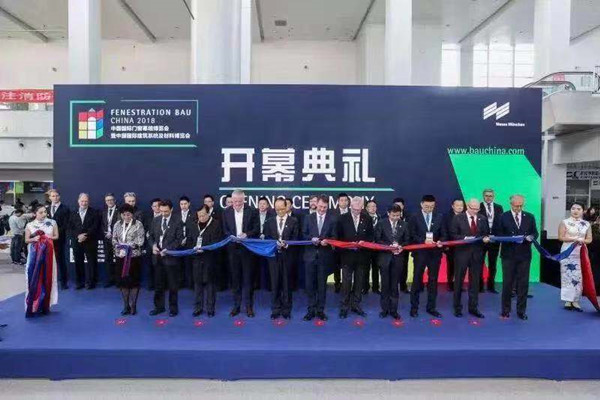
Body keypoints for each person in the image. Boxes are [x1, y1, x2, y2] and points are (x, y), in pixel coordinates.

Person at [498, 194, 538, 320]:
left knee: (523, 284)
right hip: (508, 255)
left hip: (524, 255)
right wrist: (511, 239)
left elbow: (535, 233)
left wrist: (531, 237)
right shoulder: (503, 217)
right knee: (507, 283)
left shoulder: (530, 216)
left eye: (521, 206)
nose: (519, 208)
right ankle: (505, 310)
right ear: (511, 204)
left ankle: (521, 311)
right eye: (516, 206)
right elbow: (498, 234)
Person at [222, 190, 260, 317]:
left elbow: (257, 229)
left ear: (244, 199)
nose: (237, 204)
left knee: (248, 279)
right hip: (233, 250)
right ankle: (236, 306)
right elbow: (225, 230)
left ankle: (249, 306)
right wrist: (231, 236)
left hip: (247, 249)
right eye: (235, 201)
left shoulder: (252, 211)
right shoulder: (226, 212)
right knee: (235, 279)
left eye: (240, 201)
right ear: (232, 200)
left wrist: (247, 234)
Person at [450, 198, 490, 318]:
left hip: (477, 254)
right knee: (458, 281)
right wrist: (465, 239)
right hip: (462, 254)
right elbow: (453, 235)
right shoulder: (458, 218)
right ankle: (457, 308)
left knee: (475, 282)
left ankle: (473, 308)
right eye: (473, 209)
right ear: (467, 206)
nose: (475, 211)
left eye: (477, 209)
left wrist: (485, 239)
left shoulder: (482, 218)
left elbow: (486, 233)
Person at [336, 196, 374, 318]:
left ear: (362, 207)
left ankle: (356, 305)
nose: (357, 211)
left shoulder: (367, 218)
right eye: (354, 209)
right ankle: (344, 306)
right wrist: (346, 246)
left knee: (359, 282)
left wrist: (364, 242)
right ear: (350, 206)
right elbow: (338, 237)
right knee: (346, 283)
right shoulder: (342, 218)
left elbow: (371, 236)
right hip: (347, 256)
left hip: (362, 256)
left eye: (359, 209)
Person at [408, 195, 445, 318]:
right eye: (427, 206)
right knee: (417, 280)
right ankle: (414, 308)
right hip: (420, 253)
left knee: (433, 281)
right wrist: (423, 241)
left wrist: (440, 241)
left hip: (435, 253)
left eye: (432, 206)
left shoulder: (439, 217)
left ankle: (431, 307)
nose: (429, 209)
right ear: (421, 204)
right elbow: (411, 234)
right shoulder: (414, 217)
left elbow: (444, 234)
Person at [263, 198, 299, 319]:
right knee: (275, 283)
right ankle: (275, 309)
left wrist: (287, 244)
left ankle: (286, 309)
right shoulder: (269, 222)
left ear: (287, 207)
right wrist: (274, 244)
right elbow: (267, 237)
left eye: (282, 209)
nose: (280, 211)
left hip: (288, 256)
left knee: (286, 283)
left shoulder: (293, 221)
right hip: (273, 256)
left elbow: (296, 237)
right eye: (277, 209)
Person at [302, 195, 336, 321]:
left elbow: (334, 237)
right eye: (320, 206)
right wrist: (311, 239)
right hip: (310, 256)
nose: (322, 209)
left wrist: (328, 241)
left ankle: (320, 310)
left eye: (324, 207)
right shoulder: (308, 218)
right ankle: (311, 310)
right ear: (316, 204)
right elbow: (303, 234)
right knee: (310, 285)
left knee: (322, 286)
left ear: (328, 207)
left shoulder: (332, 219)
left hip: (324, 257)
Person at [148, 200, 184, 317]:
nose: (163, 214)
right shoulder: (156, 220)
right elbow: (150, 236)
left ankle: (173, 308)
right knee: (158, 284)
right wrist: (153, 246)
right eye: (161, 211)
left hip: (171, 258)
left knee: (173, 285)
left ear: (171, 209)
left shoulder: (178, 221)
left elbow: (179, 240)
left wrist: (168, 249)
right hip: (157, 258)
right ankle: (159, 307)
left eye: (166, 211)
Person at [187, 205, 223, 317]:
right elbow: (189, 240)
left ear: (208, 213)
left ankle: (210, 308)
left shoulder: (216, 224)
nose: (201, 218)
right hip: (196, 258)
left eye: (203, 215)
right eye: (199, 216)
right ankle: (198, 308)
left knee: (210, 284)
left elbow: (217, 242)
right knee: (197, 284)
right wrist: (193, 248)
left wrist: (204, 248)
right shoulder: (193, 225)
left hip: (210, 259)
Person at [24, 205, 59, 318]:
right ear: (35, 213)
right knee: (33, 277)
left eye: (45, 212)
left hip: (48, 255)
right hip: (34, 255)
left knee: (48, 277)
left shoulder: (52, 222)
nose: (44, 214)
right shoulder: (30, 225)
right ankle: (32, 305)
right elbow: (26, 240)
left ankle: (45, 305)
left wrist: (47, 238)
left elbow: (56, 236)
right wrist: (34, 239)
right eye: (41, 212)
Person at [375, 204, 408, 320]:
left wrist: (401, 246)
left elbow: (407, 240)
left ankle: (394, 310)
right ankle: (384, 309)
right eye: (393, 215)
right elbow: (377, 239)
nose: (395, 218)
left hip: (398, 259)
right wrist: (389, 246)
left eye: (398, 215)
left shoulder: (404, 224)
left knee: (395, 285)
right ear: (388, 213)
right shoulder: (381, 223)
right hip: (385, 258)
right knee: (385, 285)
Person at [558, 202, 593, 312]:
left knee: (579, 276)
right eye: (573, 208)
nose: (575, 211)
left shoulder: (586, 224)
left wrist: (582, 241)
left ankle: (576, 300)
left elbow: (589, 239)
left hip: (580, 252)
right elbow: (561, 237)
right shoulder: (564, 222)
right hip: (567, 252)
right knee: (567, 275)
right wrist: (574, 239)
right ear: (570, 210)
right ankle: (568, 300)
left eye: (578, 209)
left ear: (583, 211)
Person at [112, 204, 145, 316]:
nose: (126, 217)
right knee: (123, 283)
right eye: (124, 215)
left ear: (132, 214)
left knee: (134, 282)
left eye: (129, 214)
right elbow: (114, 239)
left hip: (133, 258)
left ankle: (133, 305)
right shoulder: (117, 224)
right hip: (121, 257)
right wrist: (118, 246)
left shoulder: (138, 224)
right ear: (121, 215)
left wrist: (128, 246)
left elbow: (140, 241)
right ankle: (126, 306)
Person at [68, 193, 100, 290]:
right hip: (77, 241)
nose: (84, 203)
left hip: (90, 241)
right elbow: (70, 227)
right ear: (78, 201)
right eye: (82, 201)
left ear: (88, 202)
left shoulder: (94, 212)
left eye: (86, 201)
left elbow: (95, 226)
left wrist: (85, 235)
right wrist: (78, 236)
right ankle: (80, 282)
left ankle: (91, 282)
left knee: (92, 262)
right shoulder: (73, 213)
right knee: (78, 262)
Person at [479, 189, 503, 293]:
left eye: (490, 196)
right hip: (482, 241)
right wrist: (482, 236)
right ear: (483, 196)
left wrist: (497, 237)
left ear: (493, 196)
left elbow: (501, 223)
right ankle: (479, 286)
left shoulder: (499, 207)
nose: (488, 197)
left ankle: (491, 286)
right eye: (486, 195)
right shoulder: (478, 207)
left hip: (494, 241)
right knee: (479, 264)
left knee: (493, 264)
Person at [47, 189, 70, 289]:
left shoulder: (65, 209)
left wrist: (55, 233)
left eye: (56, 195)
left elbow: (66, 224)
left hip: (60, 239)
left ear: (59, 196)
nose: (55, 197)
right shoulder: (46, 209)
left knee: (61, 261)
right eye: (53, 196)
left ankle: (63, 282)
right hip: (48, 240)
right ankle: (50, 282)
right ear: (50, 197)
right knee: (49, 261)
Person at [443, 198, 464, 292]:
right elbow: (444, 231)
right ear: (452, 206)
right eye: (457, 205)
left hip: (463, 247)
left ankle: (459, 285)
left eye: (461, 205)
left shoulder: (466, 216)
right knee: (451, 266)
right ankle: (450, 284)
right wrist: (446, 245)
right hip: (451, 247)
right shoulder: (446, 217)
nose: (460, 207)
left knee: (461, 266)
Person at [331, 192, 350, 293]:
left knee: (348, 266)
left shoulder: (352, 213)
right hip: (337, 244)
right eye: (342, 200)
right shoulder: (332, 213)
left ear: (348, 201)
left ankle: (348, 285)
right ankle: (337, 284)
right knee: (336, 266)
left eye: (346, 200)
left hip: (349, 245)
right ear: (338, 202)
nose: (344, 202)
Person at [176, 196, 196, 289]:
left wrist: (187, 239)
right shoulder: (175, 215)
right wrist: (180, 240)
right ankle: (180, 284)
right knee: (179, 264)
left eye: (185, 204)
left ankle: (190, 284)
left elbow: (194, 229)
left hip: (189, 243)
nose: (183, 206)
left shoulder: (194, 214)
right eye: (181, 204)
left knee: (189, 265)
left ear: (189, 204)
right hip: (178, 243)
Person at [142, 198, 162, 291]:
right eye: (154, 206)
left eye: (158, 206)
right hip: (149, 245)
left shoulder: (165, 217)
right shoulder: (148, 217)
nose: (157, 208)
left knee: (160, 267)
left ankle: (160, 285)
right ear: (151, 207)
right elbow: (144, 229)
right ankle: (150, 284)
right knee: (149, 266)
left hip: (161, 245)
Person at [101, 193, 119, 288]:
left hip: (117, 239)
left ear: (114, 200)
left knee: (119, 259)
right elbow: (102, 224)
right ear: (105, 201)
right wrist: (105, 233)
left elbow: (121, 224)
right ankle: (110, 279)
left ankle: (118, 280)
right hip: (106, 238)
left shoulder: (119, 210)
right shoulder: (103, 211)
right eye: (107, 200)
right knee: (108, 259)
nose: (109, 202)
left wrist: (113, 234)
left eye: (111, 200)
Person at [393, 197, 410, 293]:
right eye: (396, 205)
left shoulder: (409, 216)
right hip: (390, 248)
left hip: (404, 247)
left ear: (403, 206)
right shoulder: (386, 217)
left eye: (400, 205)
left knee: (404, 267)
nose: (398, 207)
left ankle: (403, 286)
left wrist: (402, 245)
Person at [364, 200, 381, 295]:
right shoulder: (363, 218)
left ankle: (375, 287)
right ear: (366, 208)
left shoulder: (381, 218)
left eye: (374, 206)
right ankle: (365, 287)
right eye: (370, 206)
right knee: (366, 268)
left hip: (377, 248)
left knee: (376, 268)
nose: (373, 208)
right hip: (366, 248)